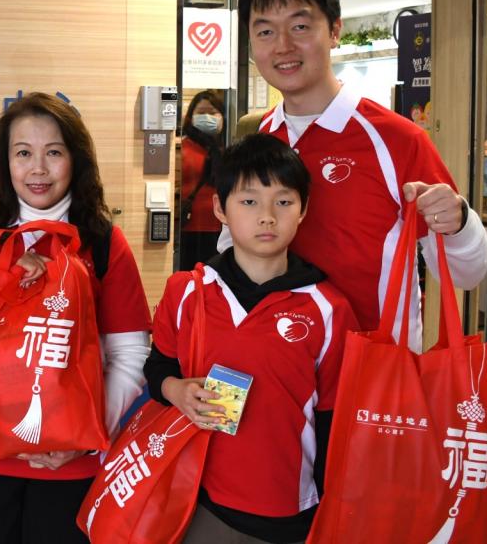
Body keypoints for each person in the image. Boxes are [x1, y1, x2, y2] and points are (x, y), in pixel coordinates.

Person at [0, 92, 151, 544]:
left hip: (68, 465)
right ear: (5, 162)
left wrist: (83, 436)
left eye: (54, 153)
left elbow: (131, 353)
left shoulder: (102, 242)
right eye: (23, 153)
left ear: (76, 160)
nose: (38, 169)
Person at [233, 0, 487, 344]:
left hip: (373, 381)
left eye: (300, 26)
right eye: (265, 31)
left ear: (334, 30)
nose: (283, 45)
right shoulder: (261, 136)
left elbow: (469, 274)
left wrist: (459, 223)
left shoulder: (396, 139)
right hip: (278, 375)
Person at [145, 133, 359, 543]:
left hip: (290, 513)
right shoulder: (186, 292)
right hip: (197, 501)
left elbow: (334, 420)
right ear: (219, 209)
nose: (267, 216)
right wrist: (175, 389)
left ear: (303, 209)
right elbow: (158, 368)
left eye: (283, 201)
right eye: (248, 201)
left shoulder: (329, 309)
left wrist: (333, 508)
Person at [179, 90, 225, 270]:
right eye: (201, 112)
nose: (207, 117)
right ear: (190, 117)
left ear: (222, 117)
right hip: (188, 229)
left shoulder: (225, 150)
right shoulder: (181, 148)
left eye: (212, 112)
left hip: (220, 229)